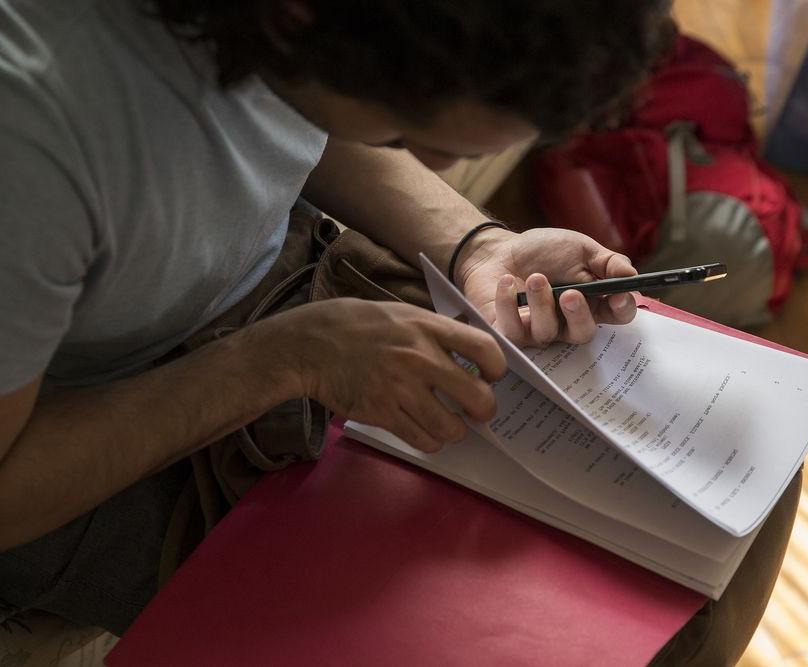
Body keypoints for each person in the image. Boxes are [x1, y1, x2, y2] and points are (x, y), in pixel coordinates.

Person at [0, 0, 670, 635]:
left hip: (276, 286)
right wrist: (280, 360)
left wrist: (476, 245)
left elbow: (311, 108)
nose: (429, 162)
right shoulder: (32, 126)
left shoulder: (302, 31)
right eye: (406, 130)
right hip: (90, 437)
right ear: (296, 19)